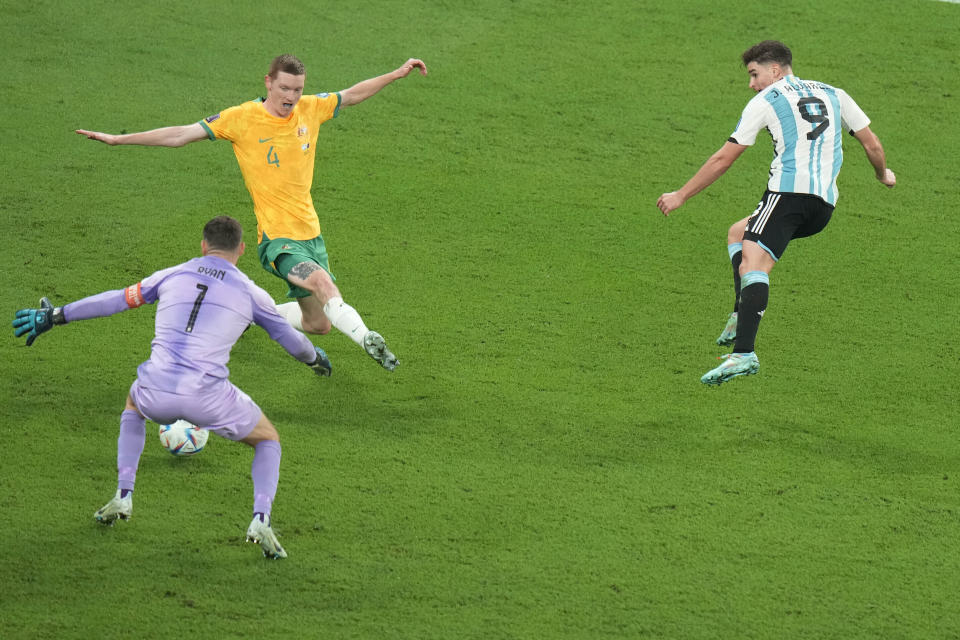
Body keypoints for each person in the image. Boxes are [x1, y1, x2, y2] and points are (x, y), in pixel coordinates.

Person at [76, 55, 429, 373]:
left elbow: (351, 94)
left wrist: (396, 74)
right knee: (323, 284)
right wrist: (119, 140)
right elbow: (180, 135)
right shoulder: (241, 118)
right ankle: (368, 338)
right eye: (285, 88)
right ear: (268, 83)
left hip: (312, 236)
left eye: (297, 89)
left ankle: (249, 313)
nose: (291, 97)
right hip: (278, 242)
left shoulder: (310, 109)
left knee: (318, 323)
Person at [12, 216, 333, 559]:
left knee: (133, 405)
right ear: (240, 249)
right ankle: (260, 519)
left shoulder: (172, 274)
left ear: (203, 245)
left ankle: (124, 494)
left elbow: (115, 301)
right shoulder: (251, 293)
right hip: (209, 397)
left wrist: (57, 315)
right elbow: (294, 344)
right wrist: (315, 359)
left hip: (155, 389)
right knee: (267, 439)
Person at [656, 40, 896, 385]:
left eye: (754, 74)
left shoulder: (766, 101)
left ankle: (743, 354)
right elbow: (872, 144)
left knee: (754, 262)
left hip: (787, 195)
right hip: (823, 206)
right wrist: (882, 175)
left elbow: (724, 157)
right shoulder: (835, 94)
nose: (751, 84)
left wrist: (681, 195)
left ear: (775, 69)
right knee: (739, 233)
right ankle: (742, 313)